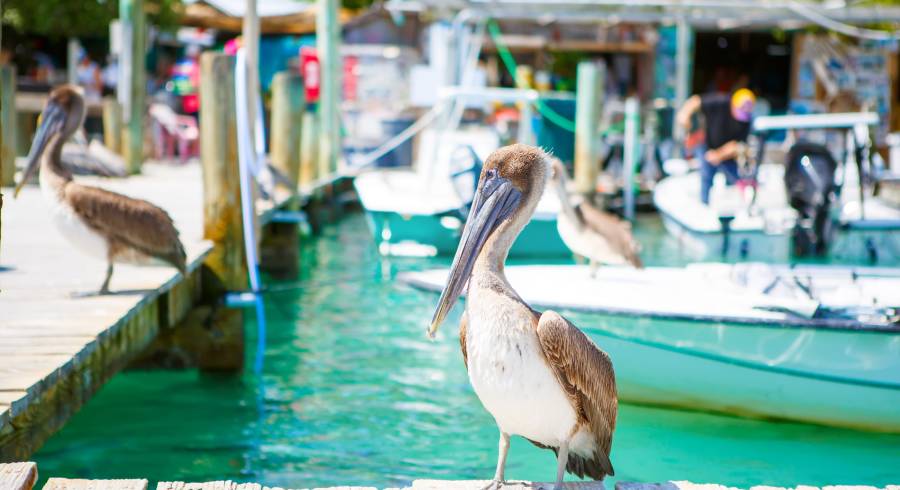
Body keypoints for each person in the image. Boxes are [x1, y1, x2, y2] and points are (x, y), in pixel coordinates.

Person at [676, 88, 756, 205]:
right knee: (706, 175)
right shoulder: (720, 102)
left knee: (735, 180)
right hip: (707, 145)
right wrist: (684, 115)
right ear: (732, 104)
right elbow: (695, 101)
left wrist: (718, 155)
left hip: (727, 154)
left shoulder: (746, 120)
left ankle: (734, 207)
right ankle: (704, 204)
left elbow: (737, 145)